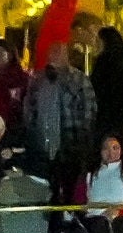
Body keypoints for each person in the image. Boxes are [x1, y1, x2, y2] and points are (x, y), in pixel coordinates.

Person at [22, 35, 97, 179]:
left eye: (58, 51)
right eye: (51, 51)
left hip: (70, 146)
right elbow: (29, 111)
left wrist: (81, 143)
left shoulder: (79, 80)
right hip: (41, 147)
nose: (53, 55)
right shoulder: (38, 80)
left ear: (66, 55)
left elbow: (89, 114)